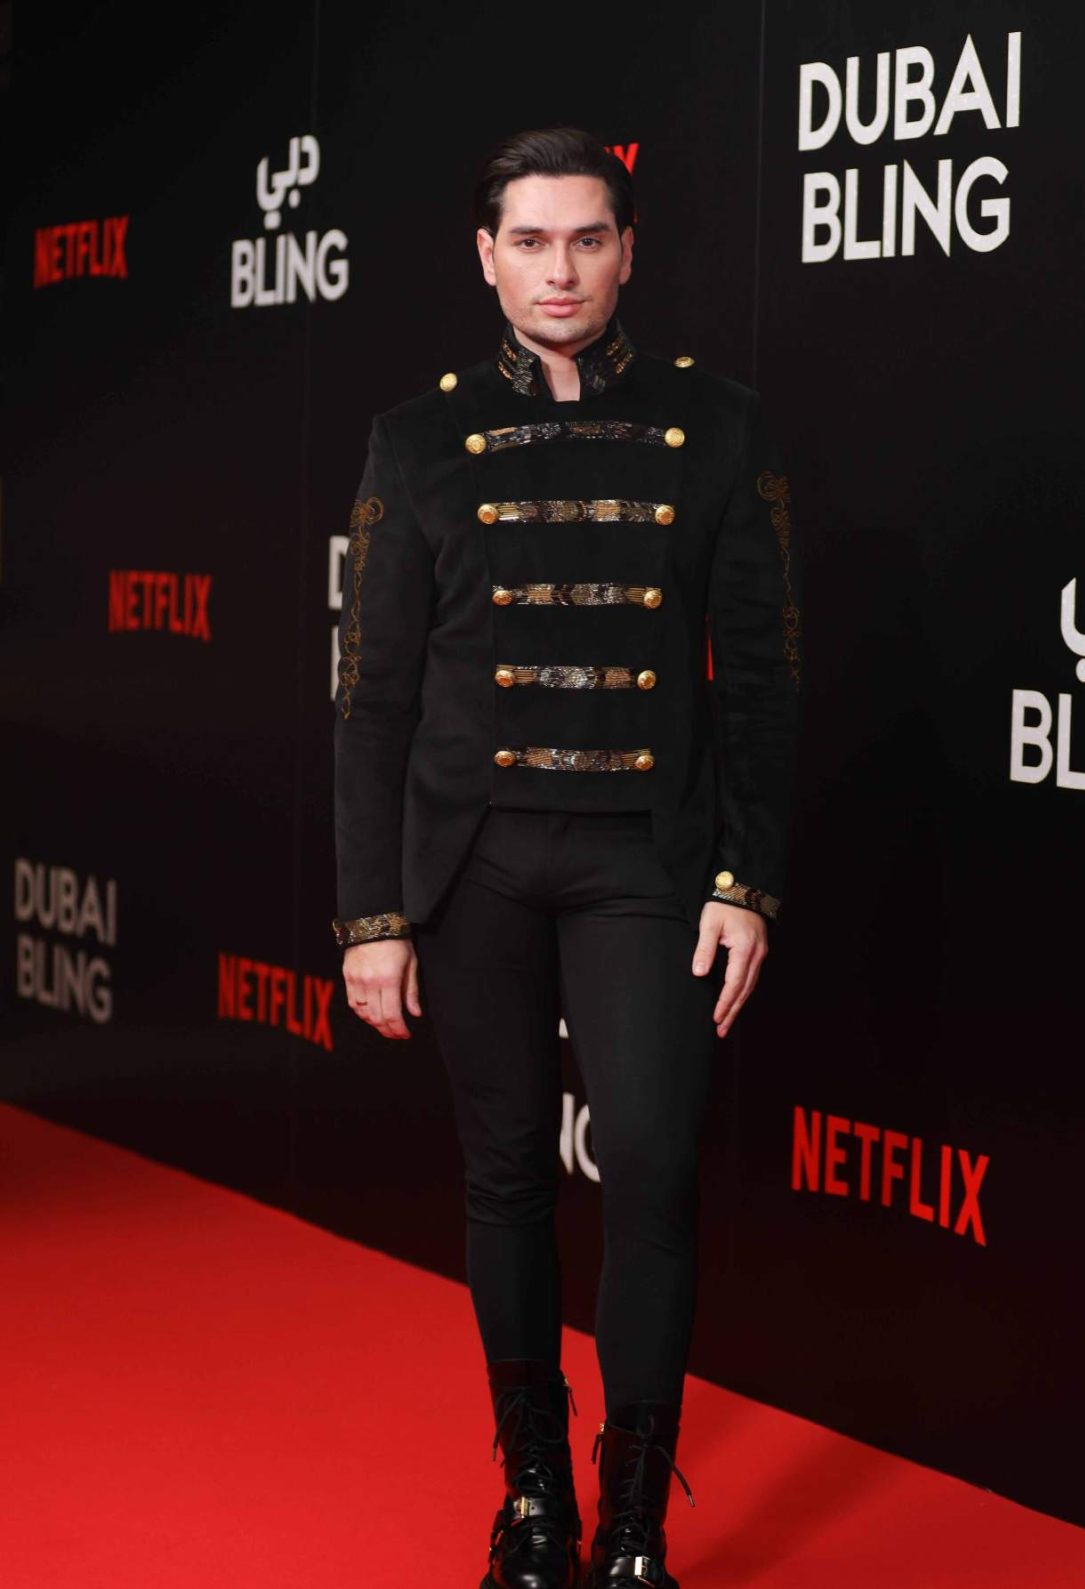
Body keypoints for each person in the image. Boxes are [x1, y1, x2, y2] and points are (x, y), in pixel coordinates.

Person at [332, 126, 800, 1589]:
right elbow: (375, 697)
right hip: (472, 858)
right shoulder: (414, 441)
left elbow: (763, 676)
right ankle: (533, 1496)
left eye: (588, 239)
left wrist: (746, 881)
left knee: (651, 1161)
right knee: (506, 1175)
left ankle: (635, 1522)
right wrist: (370, 914)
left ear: (628, 251)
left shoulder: (719, 425)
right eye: (530, 241)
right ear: (486, 256)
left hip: (647, 859)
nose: (560, 270)